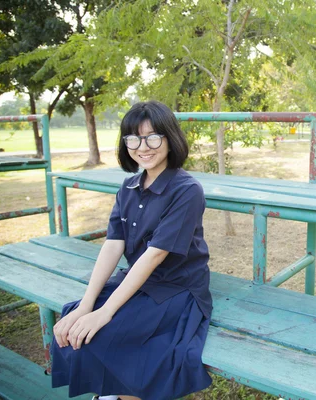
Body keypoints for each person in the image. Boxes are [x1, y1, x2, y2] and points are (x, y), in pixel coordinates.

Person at [50, 101, 213, 400]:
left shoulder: (186, 190)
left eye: (153, 137)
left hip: (177, 288)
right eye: (133, 138)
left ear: (169, 138)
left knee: (108, 333)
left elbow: (155, 255)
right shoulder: (128, 187)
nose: (143, 147)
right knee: (73, 317)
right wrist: (89, 305)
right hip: (139, 281)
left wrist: (105, 312)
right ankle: (110, 393)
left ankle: (117, 394)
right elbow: (113, 244)